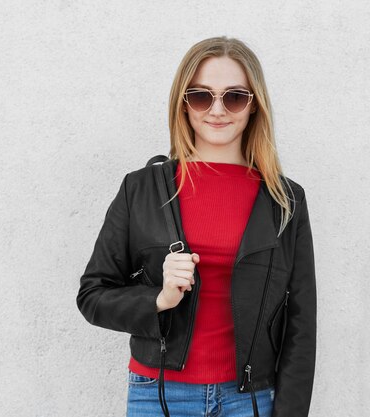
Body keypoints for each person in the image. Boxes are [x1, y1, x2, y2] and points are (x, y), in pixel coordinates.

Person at [76, 36, 317, 417]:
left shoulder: (284, 200)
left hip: (251, 400)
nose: (217, 110)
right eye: (201, 96)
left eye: (235, 96)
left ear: (254, 106)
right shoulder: (141, 189)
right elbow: (92, 295)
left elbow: (301, 324)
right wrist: (158, 299)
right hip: (159, 396)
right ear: (183, 104)